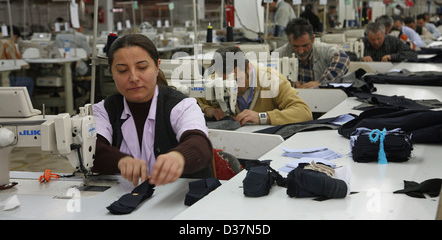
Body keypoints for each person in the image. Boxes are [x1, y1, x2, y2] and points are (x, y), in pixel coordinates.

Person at [92, 34, 212, 187]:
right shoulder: (105, 110)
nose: (133, 77)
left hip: (179, 203)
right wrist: (120, 161)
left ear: (157, 67)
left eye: (142, 67)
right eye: (122, 70)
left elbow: (200, 145)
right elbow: (92, 148)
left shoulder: (182, 106)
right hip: (125, 200)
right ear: (112, 73)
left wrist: (178, 157)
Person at [196, 45, 312, 126]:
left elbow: (304, 112)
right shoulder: (214, 81)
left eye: (237, 80)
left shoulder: (272, 80)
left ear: (248, 68)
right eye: (224, 83)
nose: (231, 87)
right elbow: (192, 101)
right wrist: (208, 109)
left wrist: (263, 117)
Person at [274, 17, 350, 89]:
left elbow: (343, 59)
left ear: (313, 39)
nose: (301, 51)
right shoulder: (278, 54)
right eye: (295, 46)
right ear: (289, 41)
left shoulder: (322, 50)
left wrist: (321, 82)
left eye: (305, 45)